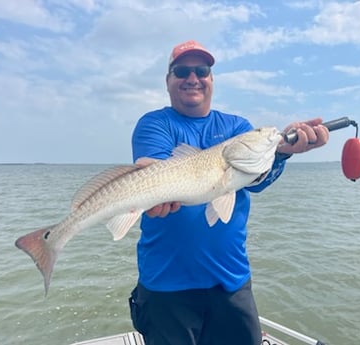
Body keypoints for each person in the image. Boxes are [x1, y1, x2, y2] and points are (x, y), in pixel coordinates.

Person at [129, 40, 329, 345]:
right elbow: (158, 177)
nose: (192, 78)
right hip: (166, 285)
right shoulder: (155, 124)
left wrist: (282, 152)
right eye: (182, 71)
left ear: (211, 79)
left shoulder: (238, 127)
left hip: (231, 281)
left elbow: (257, 181)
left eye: (202, 70)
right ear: (169, 81)